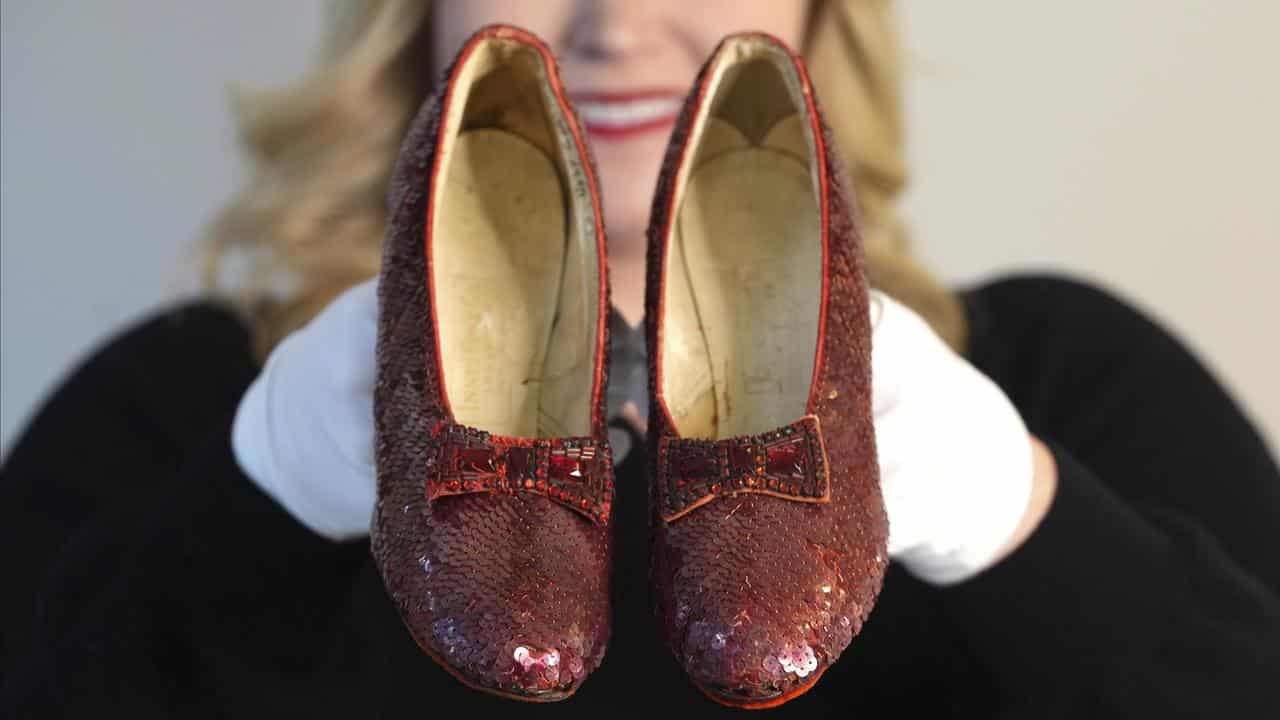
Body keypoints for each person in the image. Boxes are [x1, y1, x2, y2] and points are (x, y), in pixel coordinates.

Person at [2, 1, 1277, 717]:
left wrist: (1019, 515)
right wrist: (256, 494)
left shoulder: (1064, 368)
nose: (613, 20)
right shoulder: (181, 395)